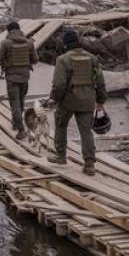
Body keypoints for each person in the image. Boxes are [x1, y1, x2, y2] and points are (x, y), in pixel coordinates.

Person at [47, 28, 106, 176]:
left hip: (68, 101)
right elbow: (100, 81)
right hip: (87, 101)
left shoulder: (63, 59)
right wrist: (100, 100)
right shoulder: (93, 58)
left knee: (60, 125)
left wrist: (54, 99)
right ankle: (90, 164)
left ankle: (61, 156)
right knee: (86, 132)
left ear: (66, 45)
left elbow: (59, 84)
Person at [0, 21, 38, 140]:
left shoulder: (6, 43)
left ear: (9, 31)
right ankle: (16, 123)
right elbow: (35, 60)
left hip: (12, 78)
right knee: (20, 101)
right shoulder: (29, 43)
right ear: (19, 30)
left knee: (14, 103)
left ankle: (21, 130)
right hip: (25, 77)